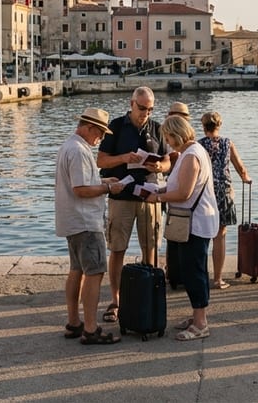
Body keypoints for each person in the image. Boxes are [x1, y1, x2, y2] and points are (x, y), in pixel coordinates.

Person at [95, 86, 170, 324]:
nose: (145, 114)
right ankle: (116, 301)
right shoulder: (115, 127)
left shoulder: (157, 128)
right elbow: (101, 161)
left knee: (151, 248)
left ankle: (148, 296)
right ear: (131, 104)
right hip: (121, 197)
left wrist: (160, 167)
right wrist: (124, 158)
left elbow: (169, 159)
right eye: (141, 109)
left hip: (150, 196)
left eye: (149, 110)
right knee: (118, 249)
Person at [55, 108, 125, 345]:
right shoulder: (79, 151)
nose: (102, 138)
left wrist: (103, 180)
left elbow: (82, 182)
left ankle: (74, 322)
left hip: (72, 221)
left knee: (77, 271)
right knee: (94, 273)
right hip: (86, 222)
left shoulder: (69, 146)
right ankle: (91, 328)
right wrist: (108, 188)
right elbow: (81, 189)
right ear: (89, 127)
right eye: (100, 133)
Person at [145, 115, 217, 340]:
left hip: (194, 222)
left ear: (175, 135)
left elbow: (184, 193)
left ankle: (200, 323)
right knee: (193, 269)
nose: (167, 141)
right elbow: (181, 187)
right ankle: (197, 315)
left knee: (194, 271)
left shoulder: (190, 156)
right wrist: (161, 189)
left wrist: (157, 197)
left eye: (167, 137)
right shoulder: (193, 152)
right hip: (194, 220)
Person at [197, 111, 251, 289]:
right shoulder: (228, 143)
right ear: (219, 125)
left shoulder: (199, 145)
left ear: (203, 126)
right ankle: (218, 279)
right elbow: (240, 168)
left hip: (205, 192)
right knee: (220, 235)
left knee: (202, 235)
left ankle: (201, 276)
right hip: (224, 193)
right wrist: (246, 179)